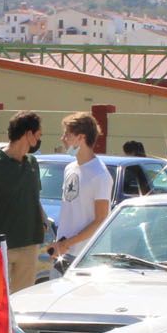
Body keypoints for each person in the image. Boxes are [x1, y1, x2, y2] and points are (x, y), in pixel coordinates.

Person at [0, 111, 44, 291]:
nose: (39, 139)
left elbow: (35, 198)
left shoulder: (32, 163)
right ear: (28, 134)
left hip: (29, 244)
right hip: (1, 248)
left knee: (23, 302)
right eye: (38, 135)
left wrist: (42, 221)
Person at [49, 111, 111, 261]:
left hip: (88, 257)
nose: (62, 139)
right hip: (64, 253)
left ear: (81, 137)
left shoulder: (100, 174)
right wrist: (61, 244)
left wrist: (69, 243)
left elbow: (101, 220)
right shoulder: (70, 168)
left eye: (67, 135)